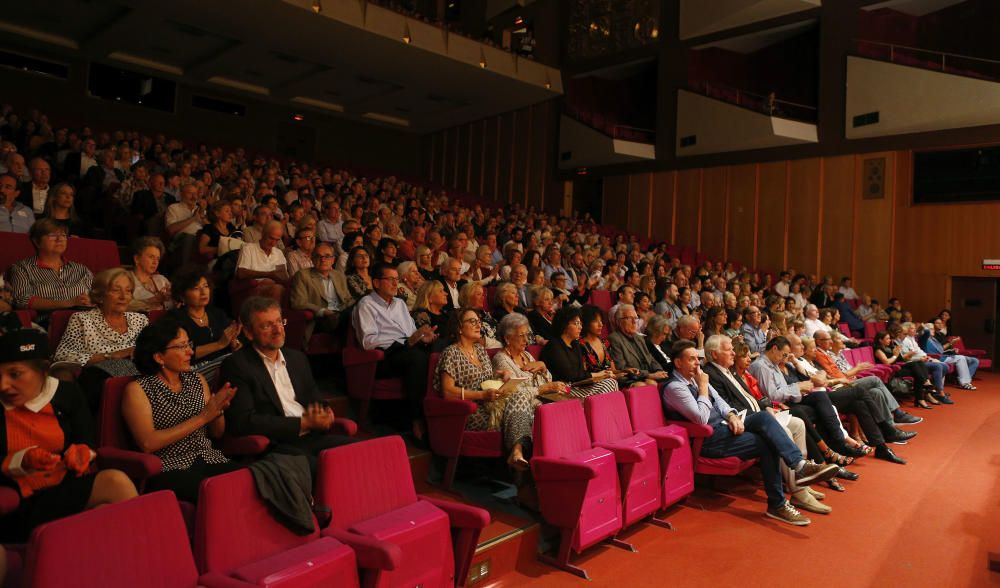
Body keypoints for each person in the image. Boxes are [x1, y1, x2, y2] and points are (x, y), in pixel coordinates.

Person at [663, 340, 838, 526]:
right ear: (678, 363)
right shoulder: (676, 387)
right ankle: (778, 502)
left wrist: (731, 415)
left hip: (725, 427)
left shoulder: (695, 379)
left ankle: (799, 466)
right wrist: (704, 387)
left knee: (763, 417)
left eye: (697, 359)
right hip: (707, 439)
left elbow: (721, 402)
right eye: (691, 360)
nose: (697, 363)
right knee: (767, 442)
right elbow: (701, 419)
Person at [0, 329, 137, 543]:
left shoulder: (67, 394)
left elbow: (87, 442)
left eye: (15, 374)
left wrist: (83, 453)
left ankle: (146, 561)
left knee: (110, 497)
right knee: (108, 501)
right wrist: (22, 461)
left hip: (63, 486)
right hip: (18, 499)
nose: (3, 385)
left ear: (44, 371)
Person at [702, 335, 829, 514]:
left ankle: (802, 482)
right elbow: (728, 406)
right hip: (741, 420)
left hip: (755, 415)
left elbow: (749, 397)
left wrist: (767, 407)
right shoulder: (710, 374)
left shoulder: (728, 370)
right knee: (780, 429)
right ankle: (798, 484)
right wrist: (759, 414)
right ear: (714, 355)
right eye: (728, 349)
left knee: (798, 423)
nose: (733, 352)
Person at [220, 297, 354, 466]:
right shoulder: (237, 365)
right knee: (326, 469)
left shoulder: (297, 358)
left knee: (362, 453)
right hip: (276, 445)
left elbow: (315, 399)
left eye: (279, 321)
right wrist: (302, 423)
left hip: (312, 436)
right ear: (248, 332)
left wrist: (325, 413)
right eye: (267, 325)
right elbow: (244, 421)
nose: (278, 330)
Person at [122, 316, 243, 503]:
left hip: (207, 457)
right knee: (216, 494)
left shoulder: (196, 380)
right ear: (159, 356)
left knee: (247, 482)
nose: (190, 352)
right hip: (168, 468)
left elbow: (217, 433)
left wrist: (218, 411)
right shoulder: (139, 389)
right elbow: (147, 443)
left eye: (189, 344)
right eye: (181, 347)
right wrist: (203, 417)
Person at [436, 308, 544, 471]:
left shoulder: (480, 350)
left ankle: (518, 455)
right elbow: (448, 392)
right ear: (459, 327)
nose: (478, 324)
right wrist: (482, 395)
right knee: (528, 411)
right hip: (472, 411)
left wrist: (501, 375)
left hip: (493, 403)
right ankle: (522, 466)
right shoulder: (451, 353)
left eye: (479, 321)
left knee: (530, 405)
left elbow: (486, 378)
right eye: (472, 321)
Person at [352, 264, 436, 441]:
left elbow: (412, 332)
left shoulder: (400, 303)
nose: (395, 283)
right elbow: (368, 342)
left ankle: (438, 415)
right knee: (416, 358)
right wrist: (405, 342)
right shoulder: (366, 304)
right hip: (384, 357)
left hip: (408, 348)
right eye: (390, 279)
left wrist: (423, 337)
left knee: (438, 352)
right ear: (376, 282)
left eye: (397, 280)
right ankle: (417, 419)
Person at [53, 268, 147, 404]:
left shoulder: (140, 320)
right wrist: (111, 356)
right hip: (98, 382)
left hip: (137, 380)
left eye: (128, 291)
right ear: (100, 295)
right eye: (116, 290)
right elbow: (63, 355)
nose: (123, 296)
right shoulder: (82, 319)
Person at [7, 218, 93, 316]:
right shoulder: (22, 268)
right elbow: (21, 300)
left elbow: (98, 295)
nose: (59, 239)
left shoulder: (81, 269)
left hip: (87, 321)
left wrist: (91, 300)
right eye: (52, 235)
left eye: (63, 235)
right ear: (36, 241)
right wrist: (67, 303)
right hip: (49, 322)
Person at [167, 268, 241, 380]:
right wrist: (219, 344)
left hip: (225, 363)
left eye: (206, 286)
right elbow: (180, 353)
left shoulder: (217, 313)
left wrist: (234, 343)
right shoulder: (175, 319)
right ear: (182, 295)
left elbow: (232, 342)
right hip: (194, 370)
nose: (203, 292)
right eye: (196, 288)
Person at [539, 306, 618, 398]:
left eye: (580, 323)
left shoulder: (575, 345)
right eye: (576, 323)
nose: (580, 327)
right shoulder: (554, 346)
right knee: (609, 384)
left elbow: (581, 372)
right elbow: (570, 375)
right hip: (561, 390)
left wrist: (602, 375)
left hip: (578, 386)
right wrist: (599, 374)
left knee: (610, 382)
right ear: (564, 325)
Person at [289, 242, 354, 342]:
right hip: (321, 319)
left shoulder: (339, 276)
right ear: (312, 259)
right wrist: (323, 311)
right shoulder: (302, 275)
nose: (323, 259)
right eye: (318, 256)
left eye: (327, 256)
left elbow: (347, 299)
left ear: (333, 260)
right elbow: (298, 302)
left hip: (341, 313)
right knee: (347, 319)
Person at [873, 330, 935, 409]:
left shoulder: (890, 347)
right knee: (915, 367)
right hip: (891, 371)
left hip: (898, 367)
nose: (889, 340)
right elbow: (887, 362)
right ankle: (922, 391)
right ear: (880, 340)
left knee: (919, 365)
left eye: (889, 338)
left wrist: (899, 354)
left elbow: (900, 359)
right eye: (887, 339)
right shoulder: (878, 350)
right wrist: (895, 355)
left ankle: (921, 397)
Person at [609, 304, 668, 385]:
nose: (634, 322)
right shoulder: (614, 339)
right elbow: (622, 368)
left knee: (666, 381)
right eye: (629, 318)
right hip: (629, 378)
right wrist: (649, 375)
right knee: (648, 384)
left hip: (644, 376)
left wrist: (659, 371)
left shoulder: (639, 338)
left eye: (636, 318)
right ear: (619, 321)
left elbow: (650, 358)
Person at [235, 220, 289, 301]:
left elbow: (284, 277)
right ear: (263, 233)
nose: (273, 243)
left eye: (277, 240)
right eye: (271, 238)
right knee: (276, 288)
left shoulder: (279, 253)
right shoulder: (249, 248)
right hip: (254, 288)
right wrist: (268, 275)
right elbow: (241, 273)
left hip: (277, 286)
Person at [128, 236, 172, 312]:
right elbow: (122, 305)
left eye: (157, 258)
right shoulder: (126, 279)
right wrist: (150, 301)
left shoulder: (161, 280)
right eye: (151, 257)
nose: (155, 262)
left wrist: (173, 298)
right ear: (137, 259)